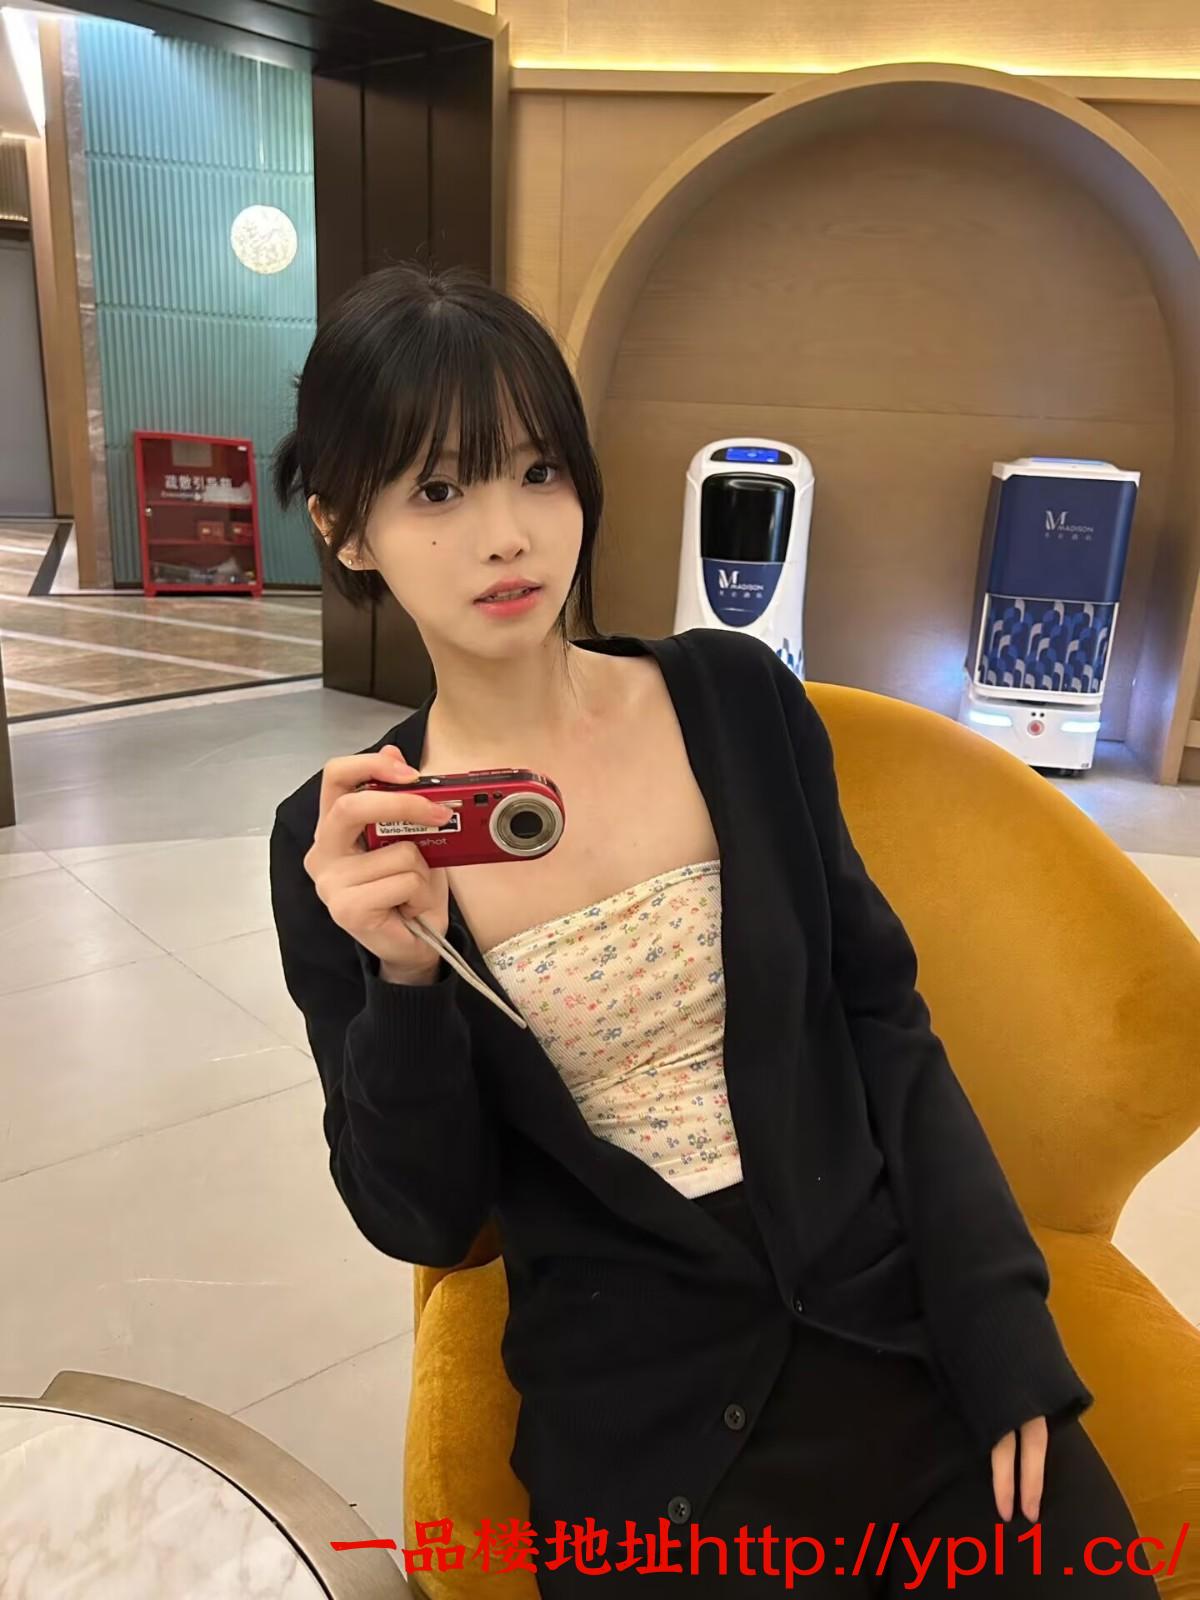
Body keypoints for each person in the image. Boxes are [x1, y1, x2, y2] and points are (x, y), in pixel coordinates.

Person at [268, 264, 1160, 1597]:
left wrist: (1003, 1328)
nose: (508, 535)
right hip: (648, 1436)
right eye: (438, 491)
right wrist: (404, 981)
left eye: (537, 472)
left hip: (900, 1338)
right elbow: (427, 1216)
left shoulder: (735, 701)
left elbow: (883, 1024)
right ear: (347, 529)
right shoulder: (344, 840)